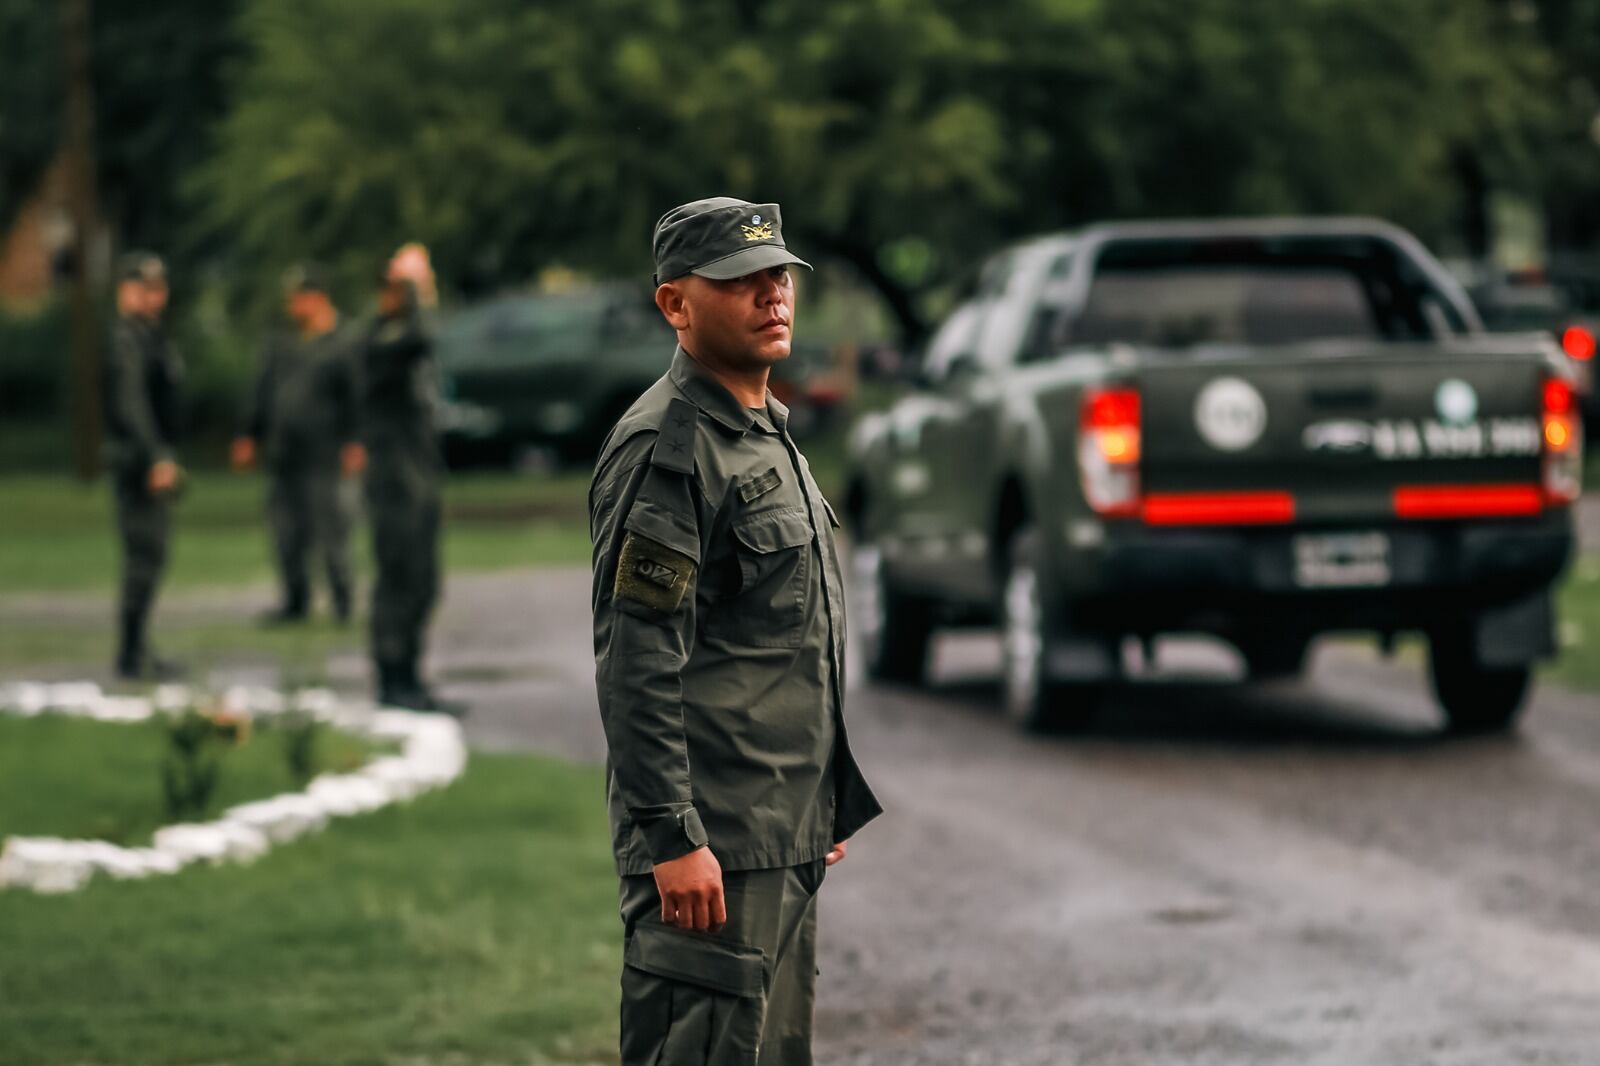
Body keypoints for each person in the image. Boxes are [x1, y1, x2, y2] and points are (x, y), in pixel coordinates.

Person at [589, 197, 881, 1065]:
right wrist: (672, 838)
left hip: (774, 832)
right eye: (740, 281)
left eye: (779, 276)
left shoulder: (763, 433)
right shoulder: (669, 448)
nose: (772, 295)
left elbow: (780, 643)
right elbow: (636, 658)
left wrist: (818, 793)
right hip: (711, 857)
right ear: (675, 304)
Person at [232, 265, 364, 624]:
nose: (293, 306)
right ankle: (295, 601)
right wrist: (250, 434)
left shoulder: (344, 341)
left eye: (299, 298)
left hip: (326, 452)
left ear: (318, 298)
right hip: (284, 452)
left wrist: (355, 441)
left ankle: (342, 600)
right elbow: (262, 390)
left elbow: (357, 396)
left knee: (332, 530)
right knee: (286, 532)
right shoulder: (281, 341)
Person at [358, 244, 457, 712]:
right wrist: (415, 287)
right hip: (392, 482)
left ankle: (411, 676)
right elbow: (420, 335)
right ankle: (392, 677)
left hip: (418, 478)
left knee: (423, 580)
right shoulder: (379, 340)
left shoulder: (404, 338)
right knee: (397, 576)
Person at [103, 251, 184, 680]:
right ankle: (131, 654)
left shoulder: (151, 336)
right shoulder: (126, 339)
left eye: (155, 289)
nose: (150, 297)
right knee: (145, 554)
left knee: (152, 554)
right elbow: (131, 403)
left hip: (149, 456)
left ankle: (138, 648)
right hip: (137, 462)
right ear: (125, 291)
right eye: (141, 288)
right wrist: (155, 457)